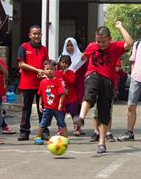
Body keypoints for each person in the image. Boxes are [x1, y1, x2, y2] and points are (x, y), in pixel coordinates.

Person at [74, 21, 133, 153]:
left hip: (108, 81)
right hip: (93, 75)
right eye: (98, 41)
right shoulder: (91, 46)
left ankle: (102, 143)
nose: (100, 45)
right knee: (90, 92)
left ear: (109, 39)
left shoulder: (115, 47)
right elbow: (83, 57)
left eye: (103, 42)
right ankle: (81, 117)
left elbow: (129, 43)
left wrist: (120, 27)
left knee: (104, 112)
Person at [17, 25, 48, 141]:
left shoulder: (44, 49)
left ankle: (44, 131)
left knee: (43, 108)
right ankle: (24, 132)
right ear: (30, 35)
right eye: (34, 34)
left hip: (41, 83)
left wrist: (45, 72)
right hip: (27, 83)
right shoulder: (23, 47)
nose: (37, 36)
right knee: (26, 108)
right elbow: (21, 64)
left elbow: (46, 65)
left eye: (39, 33)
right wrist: (37, 70)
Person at [34, 60, 66, 145]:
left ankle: (65, 138)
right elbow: (40, 94)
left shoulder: (58, 81)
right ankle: (37, 137)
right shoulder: (43, 82)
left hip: (57, 108)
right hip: (47, 108)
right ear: (44, 70)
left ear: (55, 70)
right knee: (43, 123)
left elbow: (62, 94)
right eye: (47, 69)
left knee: (61, 122)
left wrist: (60, 104)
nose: (49, 71)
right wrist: (40, 104)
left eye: (51, 69)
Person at [60, 38, 86, 135]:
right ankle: (61, 128)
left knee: (77, 106)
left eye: (71, 45)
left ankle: (77, 128)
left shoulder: (81, 58)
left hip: (79, 85)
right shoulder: (61, 59)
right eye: (68, 45)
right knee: (63, 108)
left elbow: (85, 71)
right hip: (65, 88)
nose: (70, 47)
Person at [55, 55, 82, 136]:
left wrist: (64, 74)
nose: (64, 64)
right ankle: (60, 129)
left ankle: (77, 128)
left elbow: (71, 81)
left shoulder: (71, 73)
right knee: (60, 115)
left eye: (66, 63)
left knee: (74, 114)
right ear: (59, 63)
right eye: (63, 62)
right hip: (61, 99)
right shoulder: (56, 73)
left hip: (71, 99)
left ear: (69, 64)